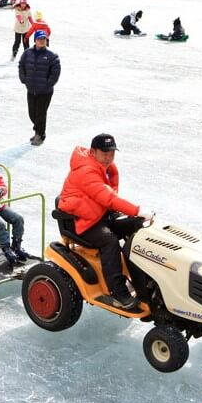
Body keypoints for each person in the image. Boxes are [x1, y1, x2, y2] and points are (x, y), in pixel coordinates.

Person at [57, 133, 150, 310]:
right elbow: (109, 198)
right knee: (110, 241)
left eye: (112, 153)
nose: (109, 158)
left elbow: (110, 197)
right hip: (82, 221)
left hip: (99, 214)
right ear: (93, 152)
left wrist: (136, 216)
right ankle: (118, 293)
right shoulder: (86, 171)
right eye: (105, 153)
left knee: (136, 225)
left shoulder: (106, 167)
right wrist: (138, 210)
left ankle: (143, 280)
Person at [18, 30, 61, 146]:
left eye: (44, 39)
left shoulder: (52, 56)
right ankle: (38, 130)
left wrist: (48, 84)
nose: (42, 41)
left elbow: (55, 72)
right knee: (32, 113)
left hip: (45, 91)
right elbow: (21, 65)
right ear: (35, 41)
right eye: (40, 39)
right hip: (31, 89)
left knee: (41, 113)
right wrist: (24, 79)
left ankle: (40, 134)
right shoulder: (27, 53)